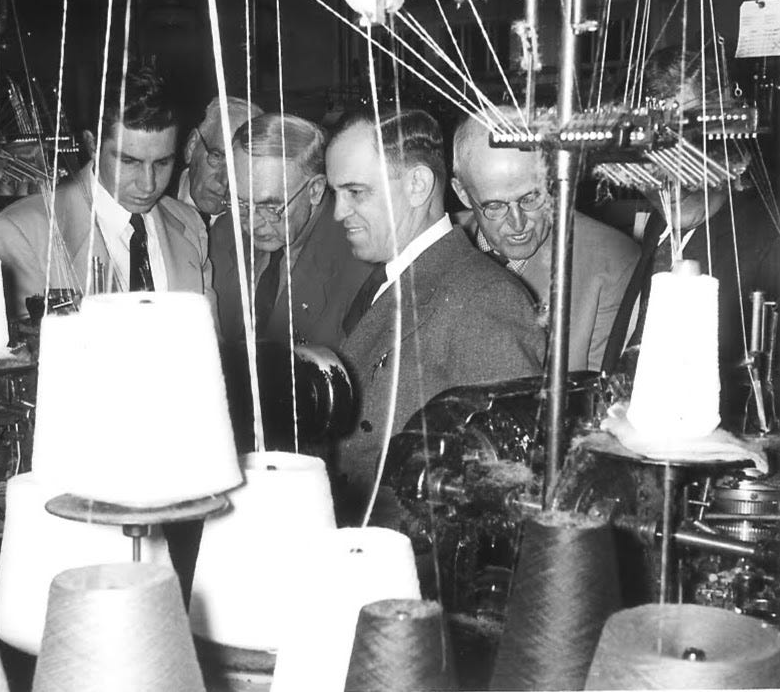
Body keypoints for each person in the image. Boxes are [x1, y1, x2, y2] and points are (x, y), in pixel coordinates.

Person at [326, 108, 545, 518]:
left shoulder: (483, 298)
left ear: (418, 184)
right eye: (335, 193)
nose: (339, 212)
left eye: (356, 192)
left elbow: (507, 487)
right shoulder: (390, 280)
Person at [604, 47, 780, 426]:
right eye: (652, 155)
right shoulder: (665, 222)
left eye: (691, 149)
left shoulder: (769, 242)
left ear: (735, 146)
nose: (670, 178)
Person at [0, 67, 213, 319]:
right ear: (92, 144)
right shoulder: (19, 233)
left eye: (162, 163)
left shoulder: (190, 226)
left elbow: (212, 347)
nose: (148, 185)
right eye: (129, 161)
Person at [451, 110, 640, 372]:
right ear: (462, 193)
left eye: (531, 198)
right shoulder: (437, 249)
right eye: (494, 206)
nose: (518, 223)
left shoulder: (612, 262)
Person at [211, 112, 371, 349]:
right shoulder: (223, 234)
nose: (252, 223)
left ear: (315, 190)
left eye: (270, 206)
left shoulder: (360, 263)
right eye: (240, 202)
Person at [177, 96, 263, 227]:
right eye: (216, 156)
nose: (224, 180)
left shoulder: (252, 231)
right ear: (192, 146)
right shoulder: (149, 201)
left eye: (240, 169)